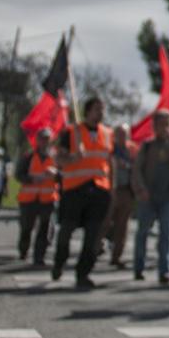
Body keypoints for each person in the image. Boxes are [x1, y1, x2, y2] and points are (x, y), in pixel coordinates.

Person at [52, 97, 114, 289]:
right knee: (66, 231)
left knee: (93, 235)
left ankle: (83, 273)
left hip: (99, 191)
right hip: (75, 190)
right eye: (97, 109)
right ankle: (59, 262)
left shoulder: (107, 133)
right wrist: (73, 157)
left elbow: (109, 162)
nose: (100, 113)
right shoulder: (71, 132)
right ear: (87, 111)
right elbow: (59, 161)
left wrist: (112, 187)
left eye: (102, 109)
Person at [132, 111, 169, 285]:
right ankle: (139, 267)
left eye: (168, 124)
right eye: (161, 124)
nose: (165, 127)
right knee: (142, 232)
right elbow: (137, 170)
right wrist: (141, 189)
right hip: (148, 196)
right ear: (155, 126)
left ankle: (165, 270)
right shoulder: (147, 146)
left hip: (168, 195)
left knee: (167, 233)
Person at [15, 127, 60, 265]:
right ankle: (23, 250)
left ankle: (39, 256)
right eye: (42, 138)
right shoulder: (28, 157)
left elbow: (65, 176)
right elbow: (18, 174)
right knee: (26, 227)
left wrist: (56, 174)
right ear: (37, 140)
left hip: (48, 199)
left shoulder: (56, 157)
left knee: (44, 228)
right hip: (29, 199)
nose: (45, 141)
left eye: (47, 139)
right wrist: (31, 179)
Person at [103, 124, 136, 268]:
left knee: (122, 226)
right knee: (103, 223)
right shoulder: (108, 148)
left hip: (126, 191)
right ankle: (94, 251)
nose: (122, 137)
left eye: (125, 134)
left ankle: (116, 256)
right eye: (119, 134)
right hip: (110, 190)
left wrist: (128, 166)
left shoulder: (132, 150)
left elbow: (138, 166)